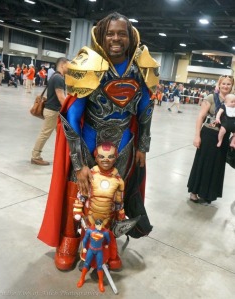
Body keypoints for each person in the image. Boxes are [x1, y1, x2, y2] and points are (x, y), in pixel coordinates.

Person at [38, 12, 159, 271]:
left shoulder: (140, 69)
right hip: (89, 140)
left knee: (115, 194)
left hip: (125, 143)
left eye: (121, 33)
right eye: (111, 33)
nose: (116, 38)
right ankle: (69, 241)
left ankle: (109, 243)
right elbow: (72, 116)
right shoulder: (90, 65)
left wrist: (143, 147)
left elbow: (146, 110)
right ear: (102, 36)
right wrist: (79, 161)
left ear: (130, 36)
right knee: (78, 191)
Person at [72, 142, 126, 270]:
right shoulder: (91, 175)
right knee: (87, 239)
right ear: (96, 158)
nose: (106, 160)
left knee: (105, 240)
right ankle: (85, 260)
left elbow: (119, 201)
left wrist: (121, 215)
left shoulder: (118, 180)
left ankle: (104, 261)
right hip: (91, 216)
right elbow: (81, 195)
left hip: (107, 217)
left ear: (116, 158)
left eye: (110, 156)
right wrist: (77, 210)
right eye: (101, 157)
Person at [187, 75, 235, 204]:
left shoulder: (233, 100)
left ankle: (208, 193)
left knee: (217, 166)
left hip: (224, 137)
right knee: (202, 163)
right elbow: (200, 117)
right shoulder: (211, 98)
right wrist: (197, 136)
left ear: (232, 86)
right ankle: (194, 192)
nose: (225, 86)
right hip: (208, 134)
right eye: (223, 84)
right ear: (219, 85)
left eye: (228, 84)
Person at [31, 57, 68, 166]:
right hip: (53, 111)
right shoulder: (59, 78)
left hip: (54, 111)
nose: (70, 67)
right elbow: (61, 98)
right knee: (45, 134)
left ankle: (65, 156)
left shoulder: (56, 76)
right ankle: (35, 156)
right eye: (68, 65)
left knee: (63, 134)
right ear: (62, 65)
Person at [77, 219, 110, 292]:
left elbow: (108, 239)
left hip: (99, 250)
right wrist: (85, 247)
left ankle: (100, 282)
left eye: (101, 225)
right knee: (86, 264)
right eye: (98, 225)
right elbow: (85, 239)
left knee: (99, 266)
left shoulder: (105, 232)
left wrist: (107, 244)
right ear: (95, 225)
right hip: (91, 250)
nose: (100, 227)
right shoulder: (89, 231)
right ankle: (82, 279)